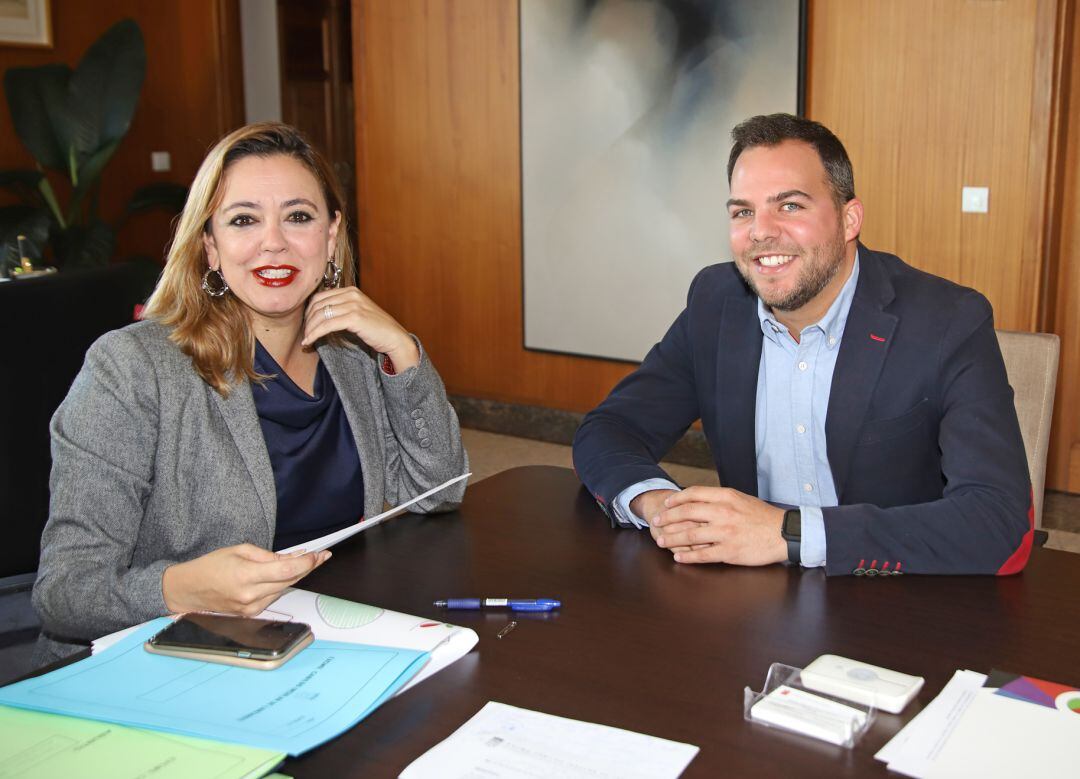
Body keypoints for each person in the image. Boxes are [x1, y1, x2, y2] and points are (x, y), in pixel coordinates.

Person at [33, 123, 468, 664]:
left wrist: (403, 354)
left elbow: (438, 492)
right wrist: (179, 589)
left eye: (298, 217)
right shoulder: (131, 369)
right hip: (163, 660)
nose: (274, 242)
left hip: (315, 643)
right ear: (210, 247)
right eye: (244, 220)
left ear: (330, 238)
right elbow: (65, 593)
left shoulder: (351, 361)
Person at [572, 113, 1032, 576]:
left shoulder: (947, 321)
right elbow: (609, 429)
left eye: (790, 206)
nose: (761, 231)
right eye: (743, 212)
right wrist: (663, 508)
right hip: (751, 599)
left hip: (896, 602)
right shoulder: (717, 303)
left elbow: (998, 520)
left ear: (849, 219)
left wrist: (790, 533)